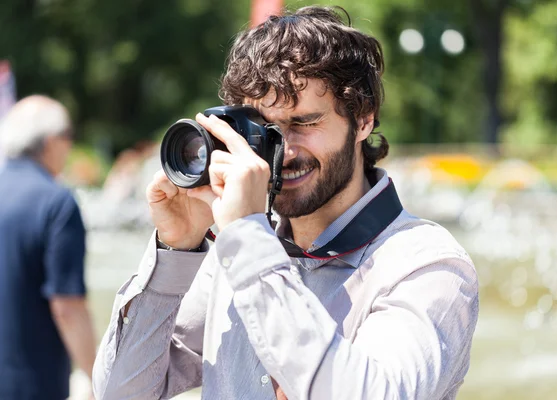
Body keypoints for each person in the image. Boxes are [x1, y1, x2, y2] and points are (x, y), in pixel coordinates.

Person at [93, 6, 479, 400]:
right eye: (267, 131)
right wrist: (176, 249)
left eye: (304, 124)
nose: (284, 151)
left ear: (363, 119)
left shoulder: (427, 265)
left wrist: (249, 242)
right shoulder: (234, 253)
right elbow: (124, 392)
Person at [0, 95, 97, 399]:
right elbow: (67, 306)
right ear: (53, 141)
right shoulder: (56, 203)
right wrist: (98, 378)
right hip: (32, 383)